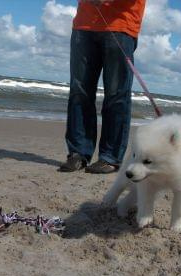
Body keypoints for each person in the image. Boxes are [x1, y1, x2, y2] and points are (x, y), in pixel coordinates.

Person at [59, 0, 146, 173]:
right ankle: (78, 153)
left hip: (121, 25)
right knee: (79, 91)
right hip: (83, 25)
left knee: (116, 94)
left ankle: (111, 157)